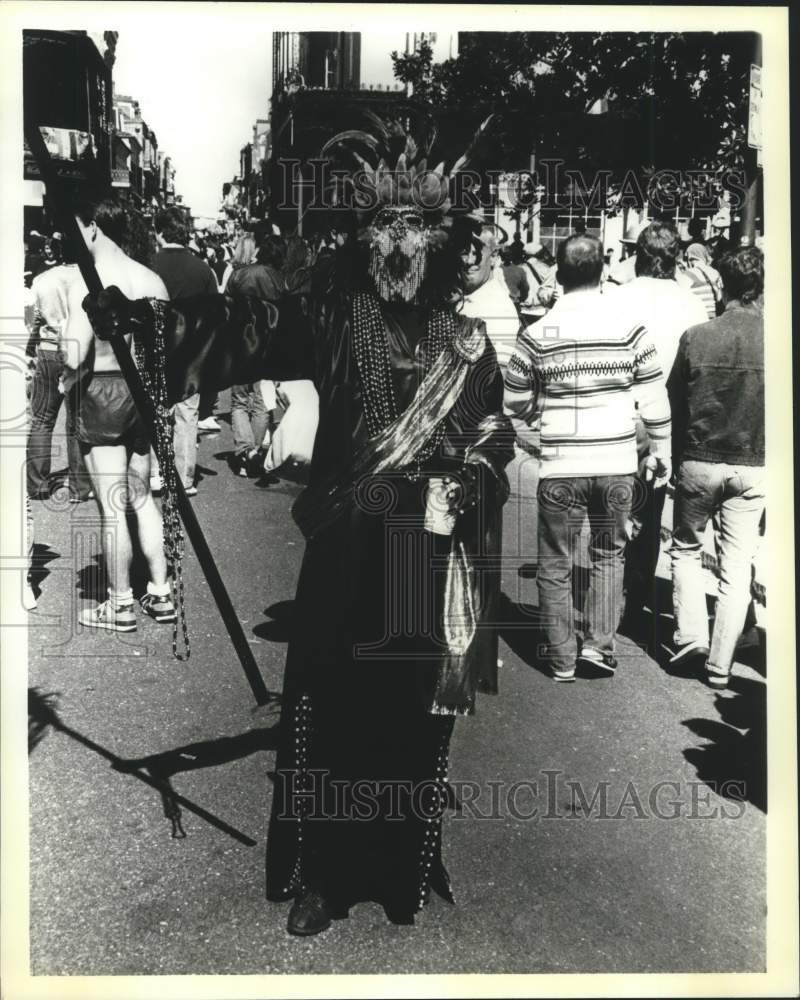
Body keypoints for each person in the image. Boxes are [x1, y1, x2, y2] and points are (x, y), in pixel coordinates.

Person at [85, 114, 514, 935]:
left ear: (442, 240)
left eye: (415, 226)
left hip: (422, 555)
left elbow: (495, 431)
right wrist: (141, 323)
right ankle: (323, 875)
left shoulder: (466, 341)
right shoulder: (331, 317)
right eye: (385, 224)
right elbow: (239, 341)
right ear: (365, 235)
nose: (398, 242)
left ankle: (399, 871)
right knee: (327, 709)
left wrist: (466, 477)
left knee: (408, 715)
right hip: (346, 551)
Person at [504, 233, 671, 682]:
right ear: (603, 272)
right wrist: (662, 450)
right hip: (617, 462)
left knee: (555, 563)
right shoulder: (629, 328)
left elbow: (515, 401)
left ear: (558, 272)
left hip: (561, 465)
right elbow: (654, 397)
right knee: (609, 555)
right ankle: (598, 647)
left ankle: (561, 660)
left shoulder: (538, 334)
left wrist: (544, 407)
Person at [62, 196, 175, 633]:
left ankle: (121, 603)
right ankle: (161, 593)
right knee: (142, 496)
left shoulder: (87, 281)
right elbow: (166, 350)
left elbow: (74, 356)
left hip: (103, 392)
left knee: (112, 507)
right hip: (143, 396)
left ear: (92, 228)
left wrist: (64, 377)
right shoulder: (151, 279)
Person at [666, 247, 765, 688]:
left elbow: (675, 403)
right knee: (737, 563)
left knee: (686, 549)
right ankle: (721, 664)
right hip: (754, 462)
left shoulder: (696, 335)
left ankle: (691, 636)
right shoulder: (777, 338)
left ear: (720, 284)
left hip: (699, 457)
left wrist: (674, 463)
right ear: (760, 287)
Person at [605, 222, 707, 634]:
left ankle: (607, 600)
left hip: (620, 413)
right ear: (677, 255)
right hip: (668, 419)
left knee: (611, 511)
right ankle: (636, 600)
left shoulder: (617, 297)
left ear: (638, 254)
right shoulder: (691, 304)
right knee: (649, 510)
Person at [152, 207, 219, 496]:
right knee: (187, 415)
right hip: (192, 353)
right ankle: (184, 478)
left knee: (156, 411)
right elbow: (216, 314)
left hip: (156, 350)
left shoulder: (147, 264)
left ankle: (157, 473)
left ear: (159, 232)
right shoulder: (203, 269)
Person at [26, 247, 92, 502]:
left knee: (42, 418)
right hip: (80, 351)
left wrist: (30, 350)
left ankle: (37, 484)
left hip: (49, 349)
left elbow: (32, 320)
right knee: (77, 420)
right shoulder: (90, 277)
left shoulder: (43, 279)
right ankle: (79, 487)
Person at [226, 234, 287, 475]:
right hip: (268, 344)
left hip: (240, 342)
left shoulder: (238, 275)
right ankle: (255, 454)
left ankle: (245, 452)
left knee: (240, 400)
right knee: (261, 401)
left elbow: (227, 307)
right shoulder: (277, 277)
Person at [457, 219, 521, 370]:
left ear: (493, 257)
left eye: (477, 253)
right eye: (464, 252)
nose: (469, 261)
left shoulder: (498, 308)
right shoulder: (461, 297)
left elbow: (497, 373)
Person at [683, 242, 723, 321]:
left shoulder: (688, 274)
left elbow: (682, 300)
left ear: (689, 257)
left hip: (696, 318)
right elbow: (719, 298)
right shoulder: (715, 273)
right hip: (713, 318)